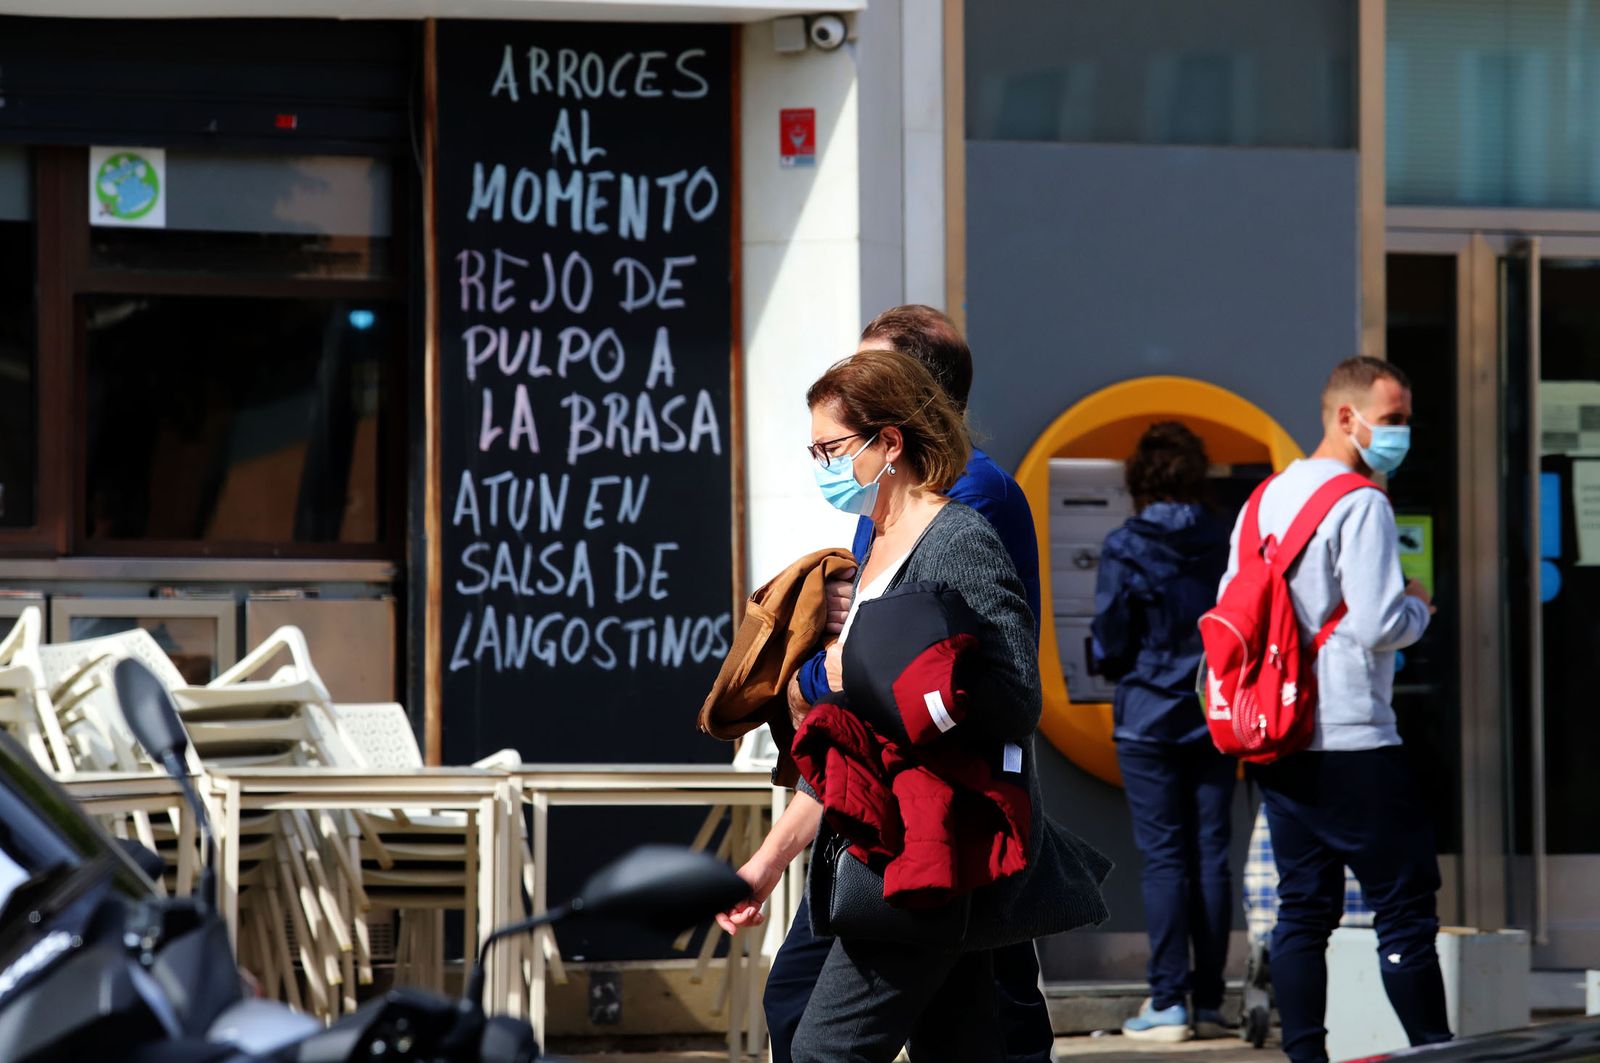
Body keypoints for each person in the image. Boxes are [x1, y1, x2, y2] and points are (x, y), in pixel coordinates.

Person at [716, 307, 1055, 1063]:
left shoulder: (963, 522)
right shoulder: (878, 536)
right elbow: (853, 721)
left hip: (928, 846)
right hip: (881, 832)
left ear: (890, 437)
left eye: (831, 448)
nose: (822, 466)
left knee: (822, 1044)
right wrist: (766, 864)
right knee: (965, 1045)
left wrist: (886, 672)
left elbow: (1010, 696)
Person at [1218, 357, 1450, 1063]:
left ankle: (1307, 1056)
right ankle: (1437, 1050)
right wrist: (1420, 604)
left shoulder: (1263, 500)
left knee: (1302, 912)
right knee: (1405, 912)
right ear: (1347, 417)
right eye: (1394, 419)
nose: (1402, 433)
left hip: (1280, 738)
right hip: (1355, 735)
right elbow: (1381, 621)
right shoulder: (1362, 502)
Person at [1090, 422, 1233, 1042]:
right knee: (1212, 856)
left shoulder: (1126, 545)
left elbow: (1112, 638)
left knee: (1166, 859)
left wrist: (1114, 658)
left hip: (1148, 715)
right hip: (1213, 712)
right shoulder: (1224, 539)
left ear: (1139, 481)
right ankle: (1209, 1001)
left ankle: (1167, 1001)